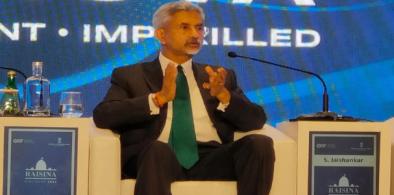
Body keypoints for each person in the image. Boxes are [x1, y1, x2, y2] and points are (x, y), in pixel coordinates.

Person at [93, 1, 275, 195]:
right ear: (161, 35)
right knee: (157, 150)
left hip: (210, 157)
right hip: (155, 157)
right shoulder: (130, 75)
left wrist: (224, 96)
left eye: (199, 28)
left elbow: (257, 119)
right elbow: (104, 115)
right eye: (185, 27)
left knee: (259, 143)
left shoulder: (217, 76)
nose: (195, 34)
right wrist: (158, 99)